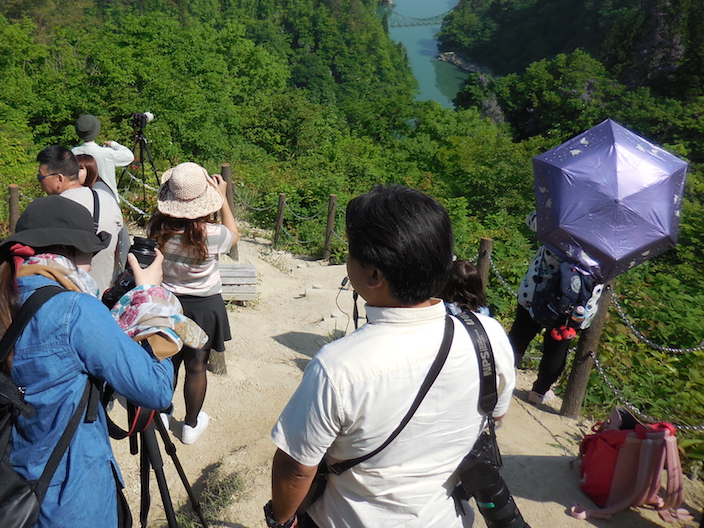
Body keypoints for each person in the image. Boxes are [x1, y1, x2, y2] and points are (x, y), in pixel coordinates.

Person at [268, 185, 515, 528]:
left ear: (374, 275)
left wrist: (282, 520)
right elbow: (494, 417)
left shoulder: (338, 367)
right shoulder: (488, 336)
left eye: (351, 253)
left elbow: (296, 467)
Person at [0, 197, 174, 528]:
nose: (89, 265)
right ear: (70, 251)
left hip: (13, 481)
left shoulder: (1, 295)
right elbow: (157, 391)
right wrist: (150, 298)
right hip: (71, 497)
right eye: (89, 254)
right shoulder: (75, 310)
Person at [146, 162, 238, 445]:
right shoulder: (214, 235)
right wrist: (222, 198)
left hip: (169, 303)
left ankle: (161, 412)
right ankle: (190, 425)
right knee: (196, 366)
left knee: (168, 360)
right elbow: (234, 235)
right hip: (205, 305)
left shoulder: (157, 229)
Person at [507, 211, 602, 405]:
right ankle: (539, 392)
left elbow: (532, 220)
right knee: (558, 347)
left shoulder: (568, 214)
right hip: (577, 303)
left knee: (519, 336)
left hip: (537, 291)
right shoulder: (615, 237)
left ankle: (499, 377)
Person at [36, 145, 123, 294]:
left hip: (66, 299)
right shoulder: (106, 199)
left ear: (59, 179)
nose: (39, 181)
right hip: (104, 298)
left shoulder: (49, 210)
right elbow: (118, 249)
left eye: (41, 177)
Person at [71, 114, 133, 200]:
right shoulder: (106, 153)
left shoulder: (73, 153)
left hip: (81, 198)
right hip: (108, 199)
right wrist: (113, 144)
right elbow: (129, 156)